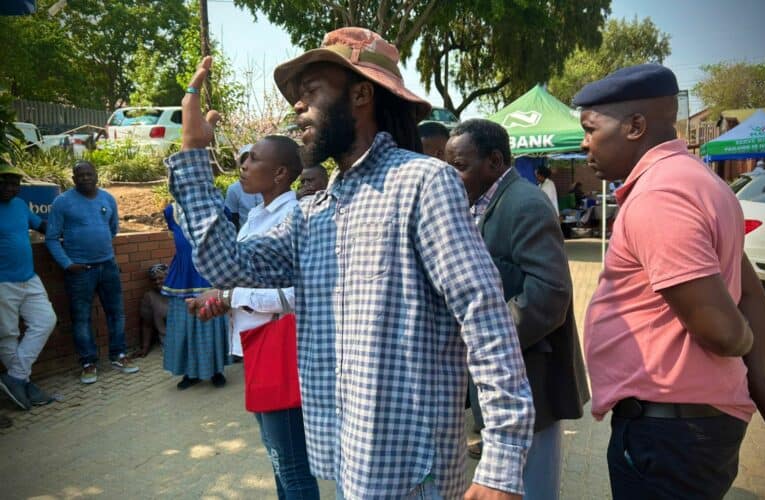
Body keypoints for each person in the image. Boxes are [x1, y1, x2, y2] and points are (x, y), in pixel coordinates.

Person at [169, 28, 534, 499]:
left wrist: (501, 461)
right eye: (297, 96)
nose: (297, 106)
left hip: (411, 468)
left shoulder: (422, 183)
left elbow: (484, 316)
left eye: (311, 91)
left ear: (362, 94)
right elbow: (228, 264)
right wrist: (193, 153)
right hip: (349, 459)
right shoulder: (315, 212)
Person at [575, 63, 765, 499]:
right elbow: (750, 292)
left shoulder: (660, 196)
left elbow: (722, 329)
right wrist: (758, 384)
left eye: (590, 129)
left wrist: (738, 339)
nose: (585, 143)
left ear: (635, 126)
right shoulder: (700, 181)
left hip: (668, 434)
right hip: (688, 426)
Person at [446, 120, 589, 500]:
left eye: (459, 166)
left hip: (532, 382)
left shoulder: (525, 204)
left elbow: (549, 296)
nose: (452, 176)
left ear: (494, 161)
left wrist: (482, 335)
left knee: (532, 487)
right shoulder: (482, 203)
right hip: (507, 379)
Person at [190, 135, 319, 498]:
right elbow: (244, 281)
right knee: (279, 459)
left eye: (254, 159)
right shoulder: (255, 217)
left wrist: (230, 295)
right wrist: (221, 299)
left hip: (282, 351)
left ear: (280, 173)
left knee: (291, 466)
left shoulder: (295, 218)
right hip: (257, 349)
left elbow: (301, 296)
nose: (243, 165)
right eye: (244, 157)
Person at [45, 161, 139, 384]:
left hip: (108, 266)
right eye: (80, 175)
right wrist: (67, 264)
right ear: (74, 179)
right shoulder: (62, 202)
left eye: (89, 174)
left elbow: (112, 229)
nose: (85, 178)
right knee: (81, 318)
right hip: (79, 270)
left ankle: (119, 355)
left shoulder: (107, 198)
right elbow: (51, 238)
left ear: (96, 176)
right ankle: (88, 363)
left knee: (116, 313)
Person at [0, 163, 58, 410]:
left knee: (46, 320)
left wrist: (62, 231)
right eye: (5, 182)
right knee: (8, 334)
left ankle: (15, 377)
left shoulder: (20, 205)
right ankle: (24, 383)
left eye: (15, 184)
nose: (11, 188)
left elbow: (39, 225)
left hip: (29, 277)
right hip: (2, 282)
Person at [161, 203, 230, 390]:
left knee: (212, 324)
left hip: (210, 274)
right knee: (184, 327)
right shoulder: (171, 211)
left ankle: (216, 370)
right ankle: (190, 372)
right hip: (182, 278)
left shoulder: (218, 207)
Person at [224, 144, 263, 230]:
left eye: (254, 161)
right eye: (245, 161)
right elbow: (232, 218)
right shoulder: (234, 189)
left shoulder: (270, 185)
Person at [138, 263, 168, 357]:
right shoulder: (149, 297)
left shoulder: (179, 293)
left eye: (160, 278)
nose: (157, 282)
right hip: (168, 341)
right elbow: (147, 325)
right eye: (153, 279)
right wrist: (145, 347)